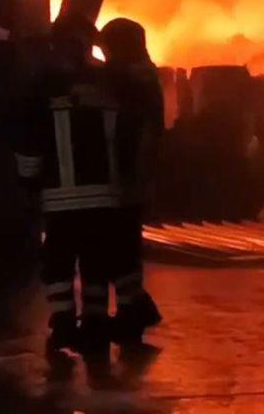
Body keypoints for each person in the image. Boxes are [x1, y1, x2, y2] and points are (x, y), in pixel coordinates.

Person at [14, 15, 121, 357]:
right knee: (96, 262)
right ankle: (96, 324)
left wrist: (28, 181)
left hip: (60, 198)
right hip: (104, 196)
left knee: (59, 263)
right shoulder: (107, 81)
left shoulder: (43, 85)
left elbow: (28, 136)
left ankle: (63, 325)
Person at [98, 18, 164, 345]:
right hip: (132, 175)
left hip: (125, 176)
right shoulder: (143, 75)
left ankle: (134, 310)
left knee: (117, 249)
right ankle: (134, 309)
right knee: (124, 248)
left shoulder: (130, 78)